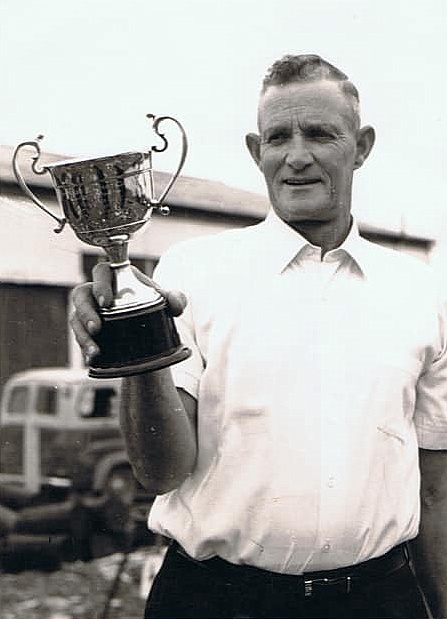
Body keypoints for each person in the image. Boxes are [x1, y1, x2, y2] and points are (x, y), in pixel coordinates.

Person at [70, 54, 447, 618]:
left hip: (377, 600)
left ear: (362, 146)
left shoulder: (421, 291)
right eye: (278, 138)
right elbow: (160, 471)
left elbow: (435, 490)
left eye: (319, 134)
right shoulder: (191, 271)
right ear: (256, 150)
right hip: (215, 601)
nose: (297, 157)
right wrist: (134, 341)